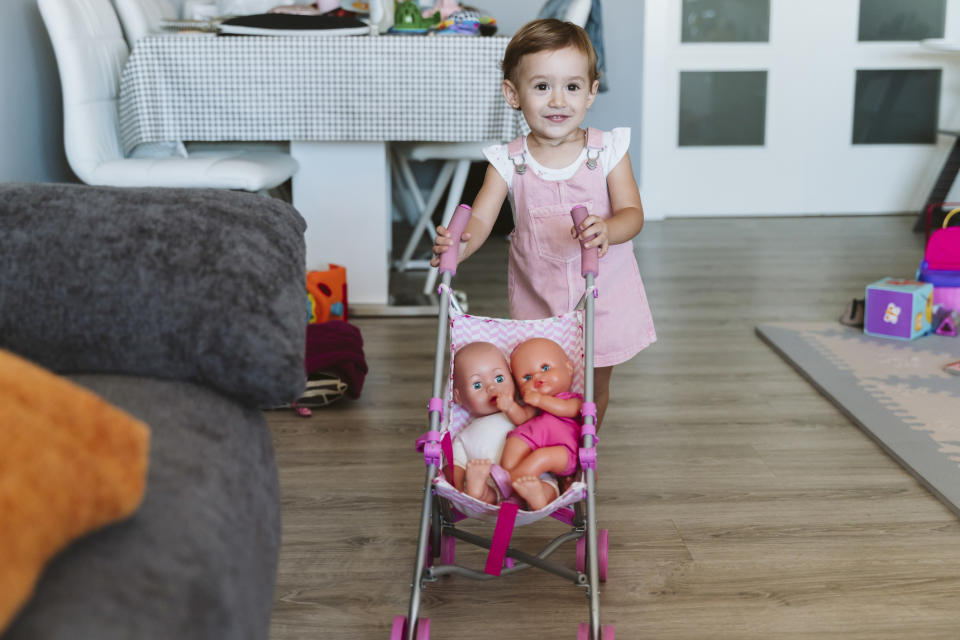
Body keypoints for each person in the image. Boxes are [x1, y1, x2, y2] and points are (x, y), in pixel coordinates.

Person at [431, 18, 656, 432]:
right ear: (513, 94)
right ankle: (539, 439)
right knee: (537, 383)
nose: (557, 100)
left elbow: (631, 213)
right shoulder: (509, 160)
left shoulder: (607, 151)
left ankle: (581, 451)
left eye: (571, 87)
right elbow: (480, 217)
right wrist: (460, 245)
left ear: (591, 92)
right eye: (541, 87)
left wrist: (608, 229)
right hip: (541, 303)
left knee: (592, 384)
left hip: (604, 298)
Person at [451, 341, 551, 504]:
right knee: (487, 493)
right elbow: (456, 464)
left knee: (547, 484)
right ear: (458, 397)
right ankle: (478, 490)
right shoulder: (466, 434)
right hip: (493, 480)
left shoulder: (525, 408)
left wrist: (511, 408)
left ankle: (538, 495)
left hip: (531, 471)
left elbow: (538, 423)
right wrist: (456, 489)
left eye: (499, 378)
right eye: (477, 385)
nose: (491, 387)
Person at [496, 338, 581, 510]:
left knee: (542, 457)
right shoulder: (535, 406)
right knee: (515, 440)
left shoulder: (574, 400)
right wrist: (510, 407)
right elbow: (522, 419)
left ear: (569, 368)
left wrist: (540, 399)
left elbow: (566, 409)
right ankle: (536, 493)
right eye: (527, 377)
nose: (537, 377)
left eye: (545, 368)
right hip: (535, 440)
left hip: (563, 451)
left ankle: (509, 484)